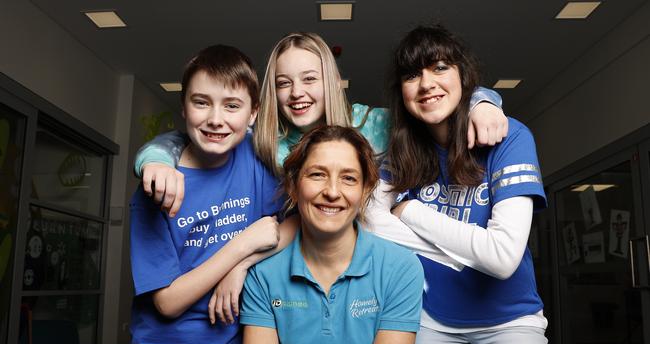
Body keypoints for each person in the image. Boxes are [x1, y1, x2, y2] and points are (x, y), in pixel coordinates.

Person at [132, 32, 508, 217]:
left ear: (329, 80)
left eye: (309, 79)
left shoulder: (372, 123)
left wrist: (483, 100)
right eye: (283, 83)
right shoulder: (264, 139)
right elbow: (188, 137)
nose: (297, 93)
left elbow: (429, 101)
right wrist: (156, 161)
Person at [365, 25, 551, 344]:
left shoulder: (509, 138)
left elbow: (502, 257)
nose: (426, 84)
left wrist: (410, 212)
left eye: (439, 68)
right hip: (431, 319)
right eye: (412, 75)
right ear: (401, 92)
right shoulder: (399, 154)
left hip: (510, 316)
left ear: (463, 76)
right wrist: (464, 253)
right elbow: (372, 223)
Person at [128, 45, 295, 344]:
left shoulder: (255, 159)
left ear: (254, 113)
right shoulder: (157, 186)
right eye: (201, 103)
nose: (216, 120)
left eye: (232, 106)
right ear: (184, 106)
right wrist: (241, 246)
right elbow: (167, 302)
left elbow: (297, 221)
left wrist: (241, 266)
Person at [240, 125, 424, 344]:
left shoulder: (401, 269)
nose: (332, 192)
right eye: (317, 174)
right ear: (293, 187)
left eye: (348, 178)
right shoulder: (263, 275)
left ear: (365, 190)